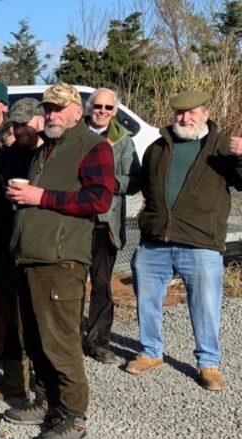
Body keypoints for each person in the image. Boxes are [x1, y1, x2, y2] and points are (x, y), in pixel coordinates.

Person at [4, 83, 115, 439]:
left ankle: (74, 417)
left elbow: (99, 198)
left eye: (57, 108)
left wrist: (40, 196)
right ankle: (48, 403)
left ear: (76, 110)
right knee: (34, 338)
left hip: (62, 260)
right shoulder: (47, 147)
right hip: (31, 256)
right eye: (47, 108)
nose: (50, 114)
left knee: (61, 341)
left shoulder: (92, 146)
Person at [128, 90, 242, 391]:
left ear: (205, 113)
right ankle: (151, 352)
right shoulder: (157, 147)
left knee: (205, 305)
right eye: (179, 112)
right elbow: (144, 186)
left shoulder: (222, 147)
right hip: (155, 242)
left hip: (201, 242)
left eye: (192, 112)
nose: (185, 118)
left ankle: (208, 363)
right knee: (147, 302)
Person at [0, 98, 44, 402]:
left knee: (41, 320)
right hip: (7, 249)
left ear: (40, 122)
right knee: (12, 317)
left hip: (41, 249)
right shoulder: (5, 158)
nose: (19, 130)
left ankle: (46, 386)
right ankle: (14, 381)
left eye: (25, 124)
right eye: (15, 124)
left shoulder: (49, 155)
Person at [81, 88, 141, 364]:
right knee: (72, 282)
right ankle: (68, 338)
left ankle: (98, 341)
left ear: (115, 111)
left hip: (106, 223)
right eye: (98, 106)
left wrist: (108, 184)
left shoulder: (123, 141)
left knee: (102, 285)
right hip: (75, 220)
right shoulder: (75, 134)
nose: (102, 111)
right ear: (89, 106)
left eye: (108, 107)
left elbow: (135, 180)